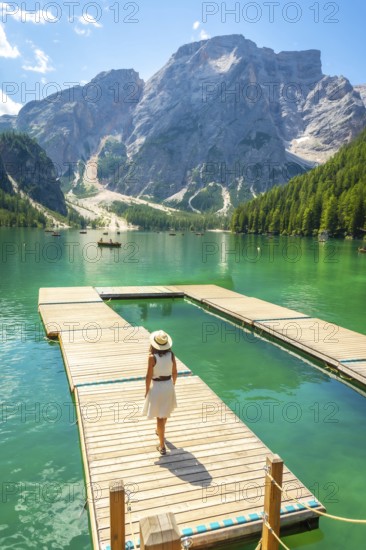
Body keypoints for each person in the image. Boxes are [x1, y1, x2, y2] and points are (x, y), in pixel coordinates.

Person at [142, 330, 177, 455]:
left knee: (159, 417)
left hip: (157, 387)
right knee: (165, 412)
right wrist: (172, 385)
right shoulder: (171, 355)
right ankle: (159, 431)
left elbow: (148, 376)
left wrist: (147, 390)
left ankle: (162, 446)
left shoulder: (152, 357)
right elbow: (175, 373)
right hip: (168, 385)